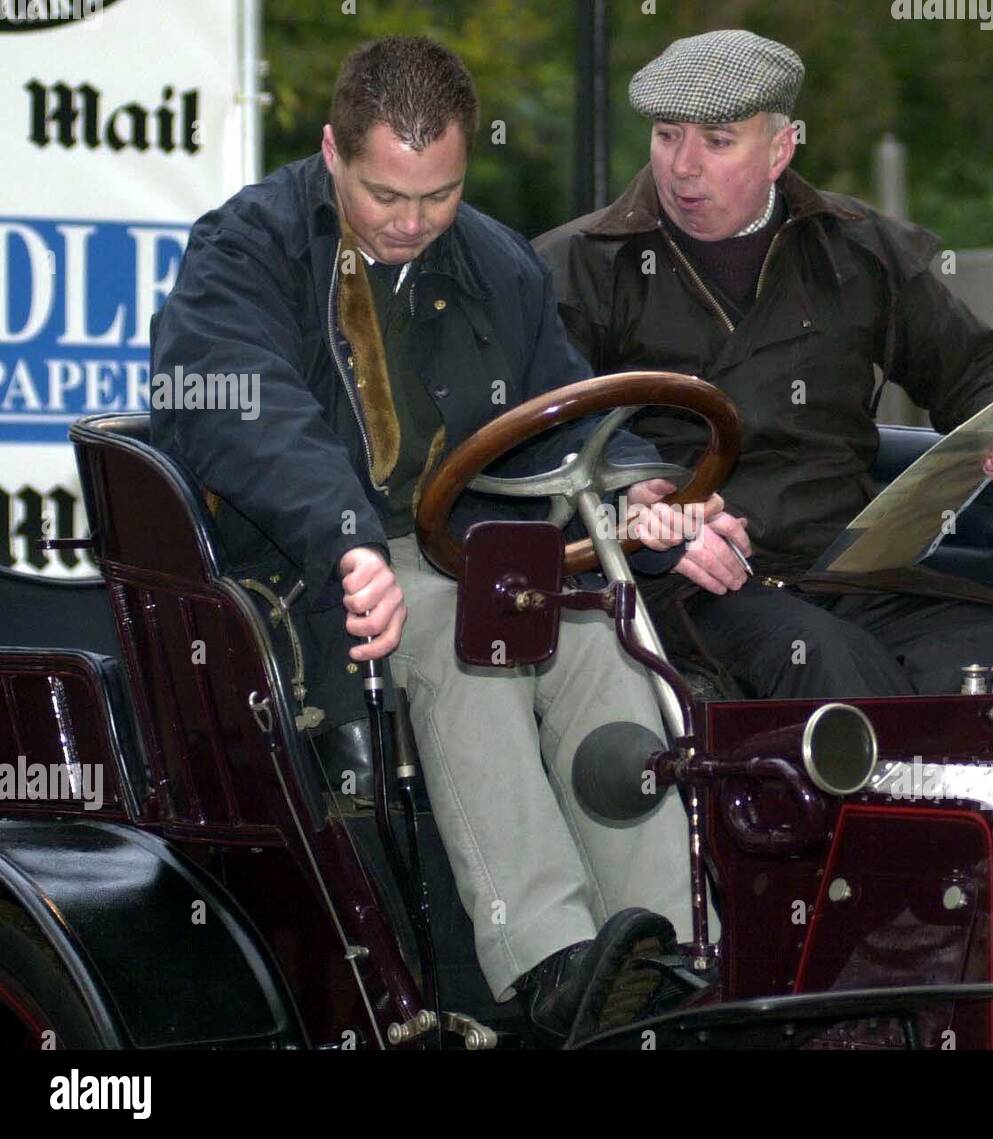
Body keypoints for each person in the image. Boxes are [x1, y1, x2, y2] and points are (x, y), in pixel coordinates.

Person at [150, 36, 707, 1047]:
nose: (412, 223)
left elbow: (564, 410)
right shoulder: (245, 249)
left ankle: (662, 952)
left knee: (593, 638)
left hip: (470, 549)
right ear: (331, 150)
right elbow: (248, 414)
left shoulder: (494, 260)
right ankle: (546, 959)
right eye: (385, 196)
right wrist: (349, 541)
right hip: (307, 566)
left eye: (439, 196)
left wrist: (643, 492)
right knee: (470, 632)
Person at [535, 29, 993, 700]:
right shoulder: (581, 267)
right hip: (684, 579)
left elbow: (974, 369)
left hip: (843, 570)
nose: (683, 167)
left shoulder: (856, 251)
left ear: (780, 150)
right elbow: (545, 435)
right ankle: (908, 807)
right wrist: (636, 505)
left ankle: (990, 809)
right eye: (668, 135)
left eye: (718, 140)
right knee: (827, 661)